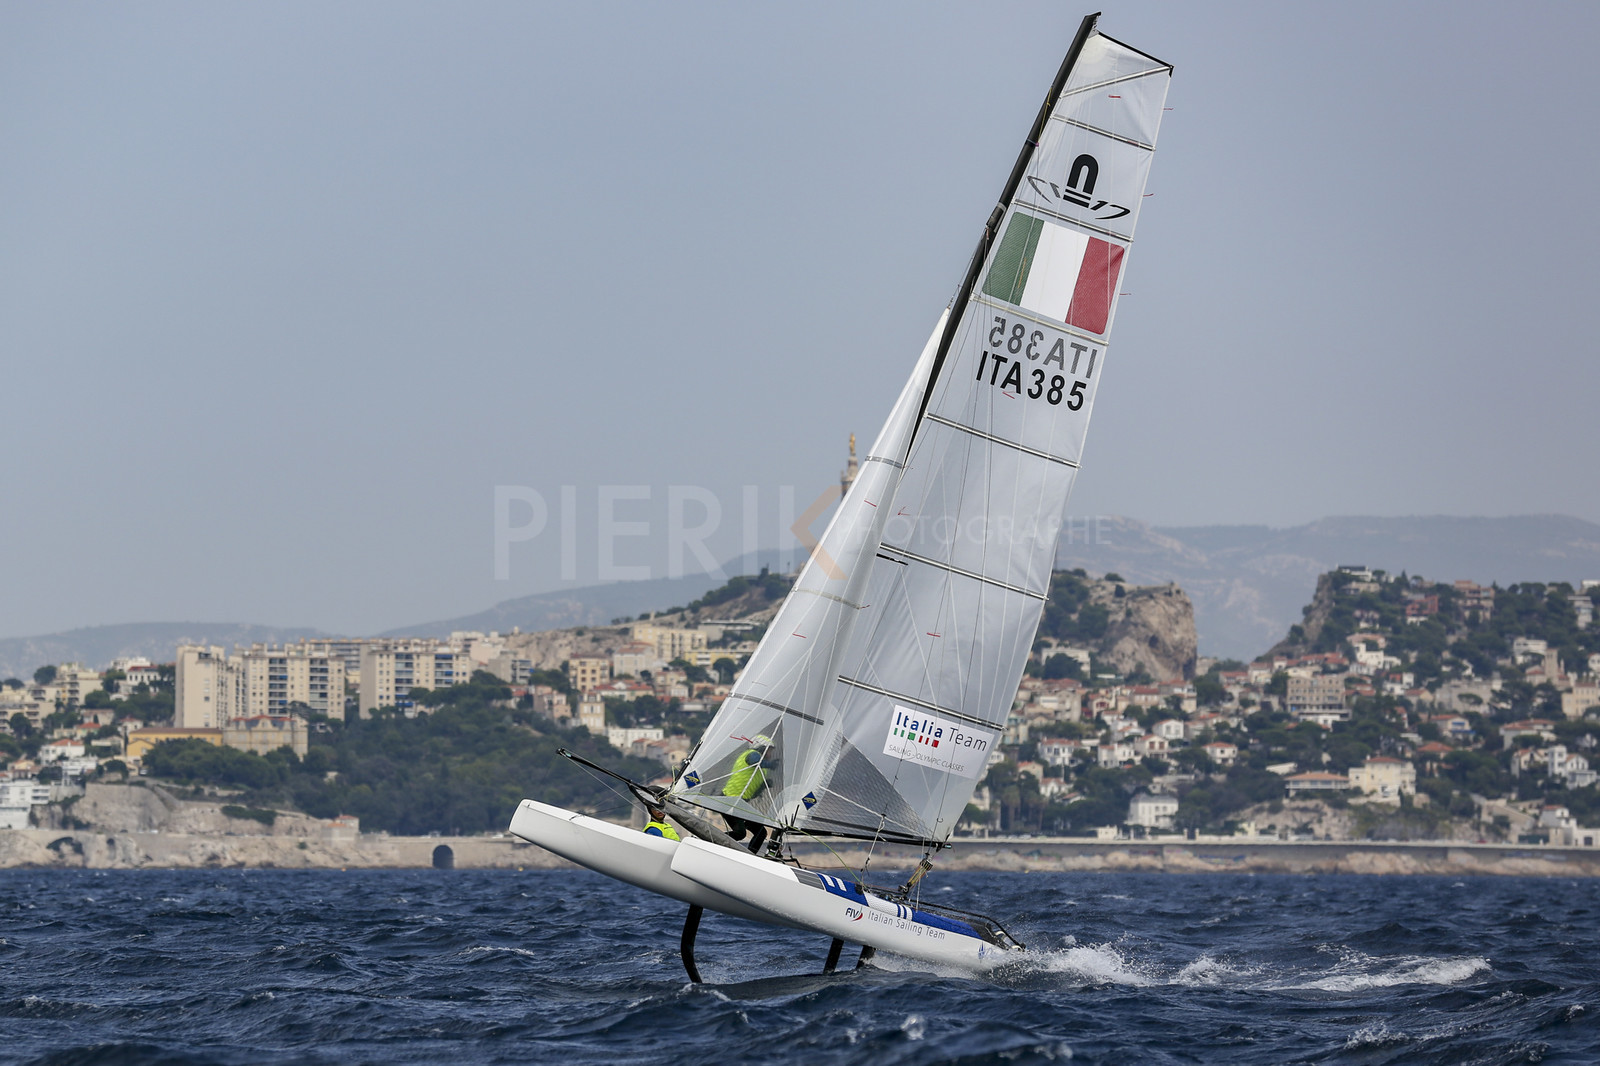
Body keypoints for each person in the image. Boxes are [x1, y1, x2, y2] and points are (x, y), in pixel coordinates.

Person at [723, 735, 774, 851]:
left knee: (761, 832)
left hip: (741, 804)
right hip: (730, 800)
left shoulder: (762, 769)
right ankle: (710, 842)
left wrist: (763, 786)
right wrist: (771, 765)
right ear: (761, 748)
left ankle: (750, 856)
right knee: (740, 833)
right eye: (769, 750)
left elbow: (752, 793)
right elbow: (753, 761)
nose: (770, 754)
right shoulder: (752, 754)